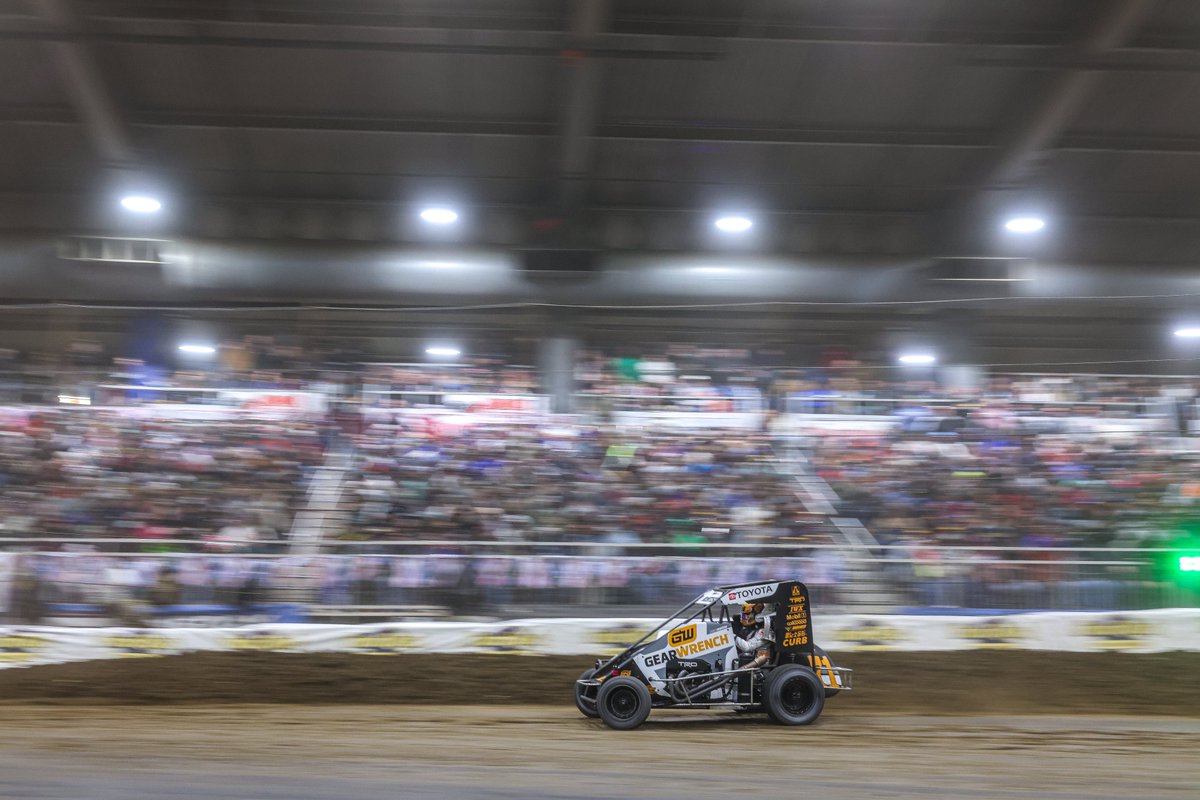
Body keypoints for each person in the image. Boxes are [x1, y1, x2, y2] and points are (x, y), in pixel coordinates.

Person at [734, 602, 774, 669]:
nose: (743, 617)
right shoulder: (753, 629)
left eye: (747, 614)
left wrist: (732, 636)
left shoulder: (765, 631)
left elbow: (747, 647)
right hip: (750, 662)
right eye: (743, 614)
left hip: (761, 669)